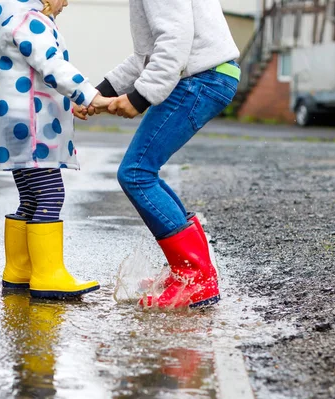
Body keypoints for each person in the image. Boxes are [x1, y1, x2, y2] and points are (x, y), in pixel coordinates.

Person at [87, 0, 241, 309]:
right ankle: (192, 270)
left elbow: (175, 40)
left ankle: (196, 275)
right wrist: (100, 93)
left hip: (201, 77)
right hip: (207, 73)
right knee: (144, 171)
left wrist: (141, 97)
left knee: (136, 173)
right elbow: (147, 56)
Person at [0, 0, 110, 299]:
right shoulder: (31, 21)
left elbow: (36, 72)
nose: (67, 3)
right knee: (50, 194)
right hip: (34, 127)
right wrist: (89, 95)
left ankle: (19, 271)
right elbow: (52, 65)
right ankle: (49, 274)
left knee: (31, 197)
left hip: (16, 128)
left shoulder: (9, 23)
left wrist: (72, 102)